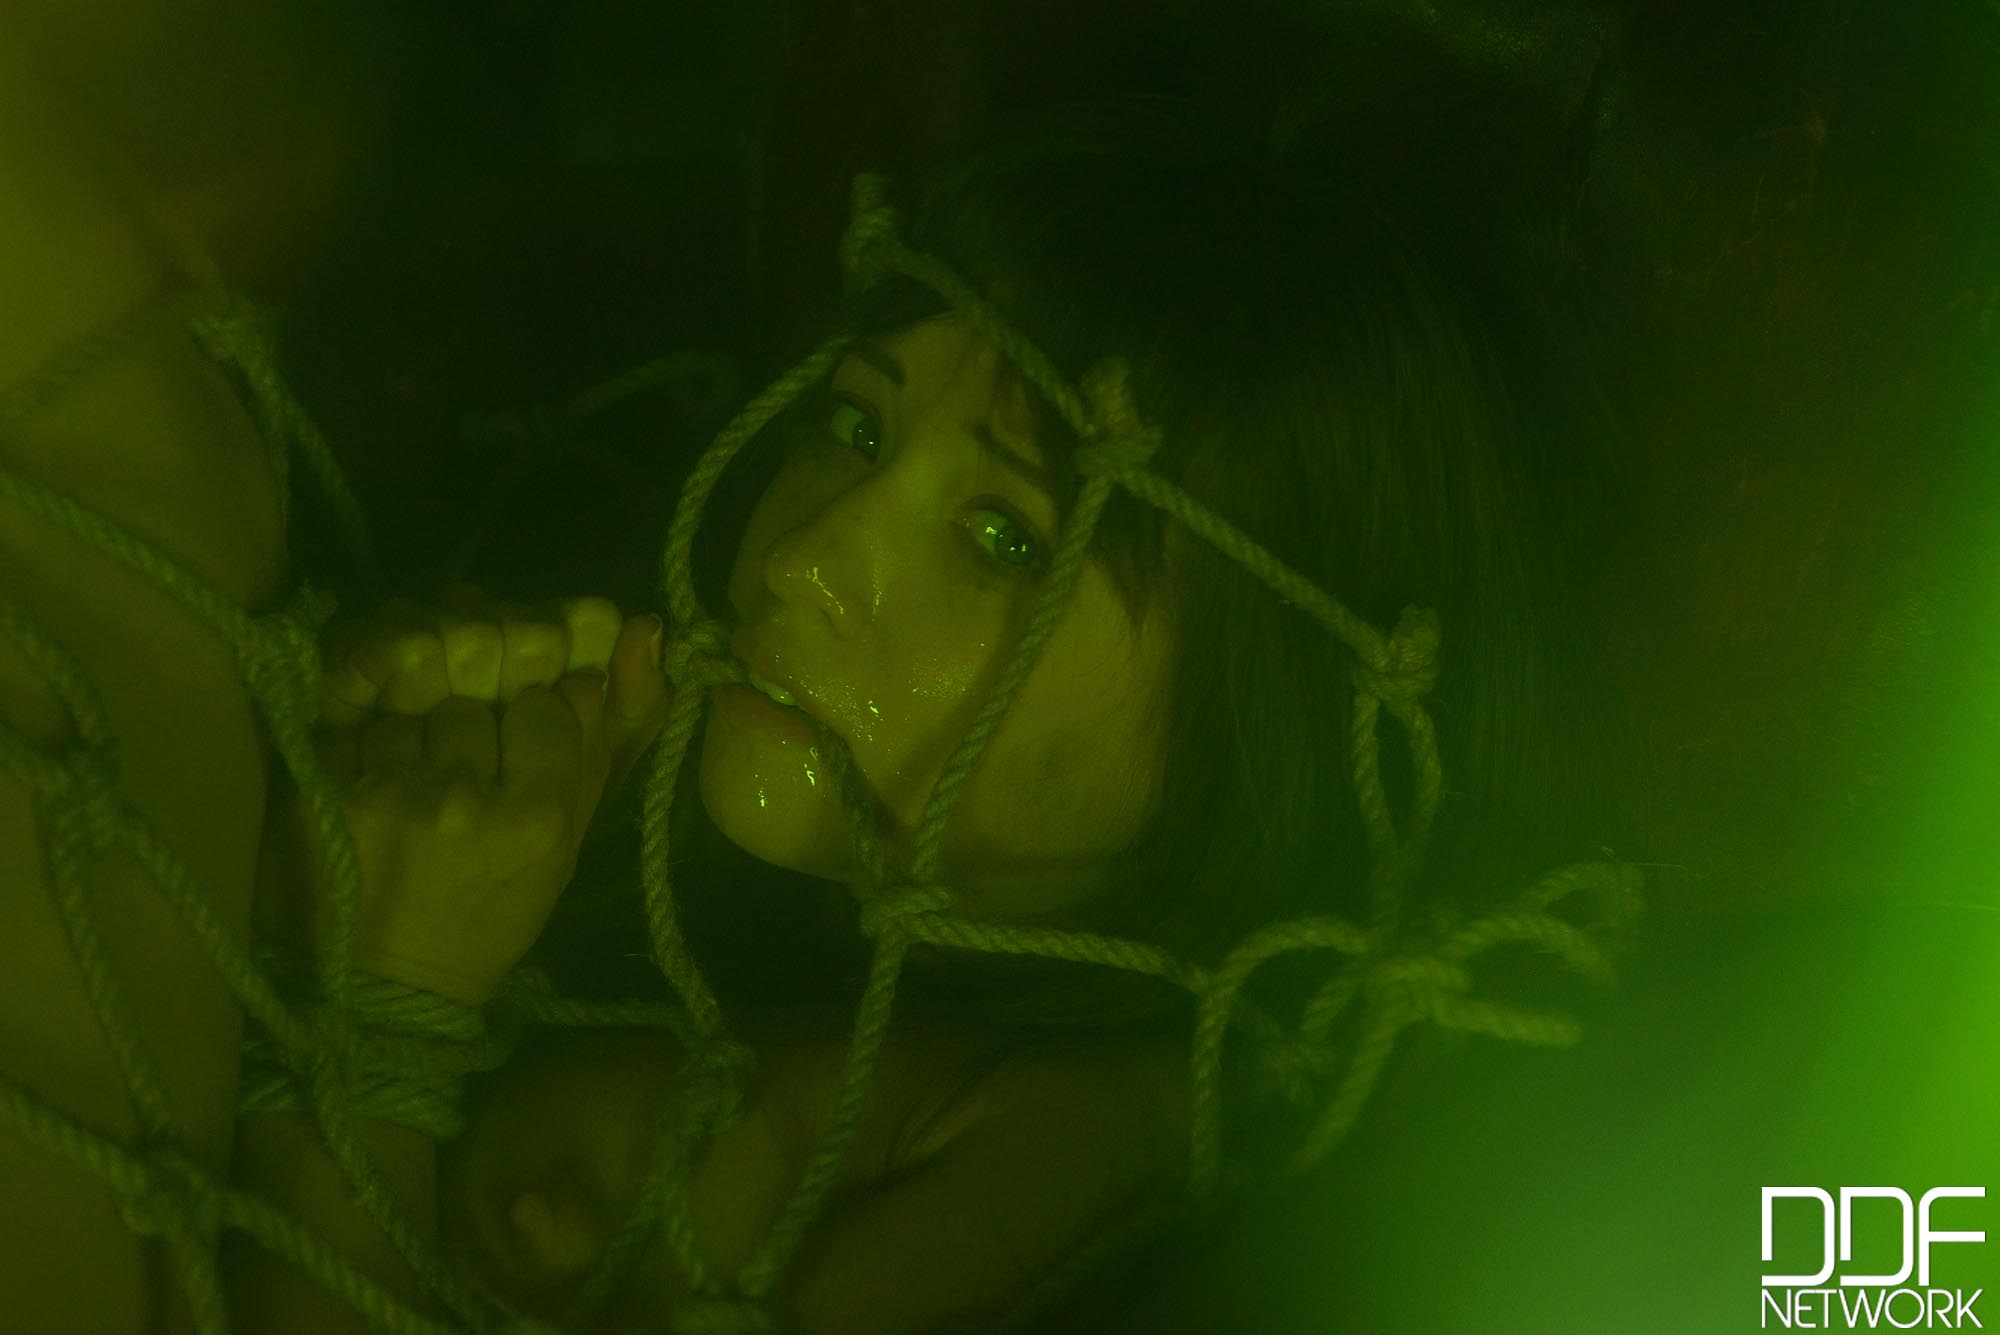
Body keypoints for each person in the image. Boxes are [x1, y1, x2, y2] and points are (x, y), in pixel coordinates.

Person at [233, 95, 1639, 1335]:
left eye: (1003, 537)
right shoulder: (695, 873)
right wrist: (373, 800)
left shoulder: (1078, 1141)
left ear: (1270, 715)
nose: (801, 558)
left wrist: (378, 1017)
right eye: (852, 428)